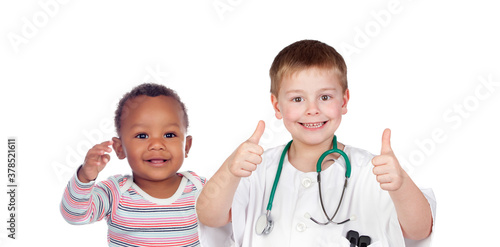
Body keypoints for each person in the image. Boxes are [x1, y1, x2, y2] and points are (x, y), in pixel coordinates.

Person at [196, 40, 436, 246]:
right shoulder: (255, 170)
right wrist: (229, 170)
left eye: (325, 97)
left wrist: (401, 185)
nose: (312, 110)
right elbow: (210, 217)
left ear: (344, 101)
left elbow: (419, 230)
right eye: (297, 98)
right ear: (277, 106)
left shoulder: (372, 172)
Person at [60, 83, 205, 247]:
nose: (156, 144)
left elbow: (232, 218)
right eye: (142, 135)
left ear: (186, 146)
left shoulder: (199, 188)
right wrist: (85, 177)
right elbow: (74, 215)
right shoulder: (115, 193)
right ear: (119, 148)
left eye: (169, 134)